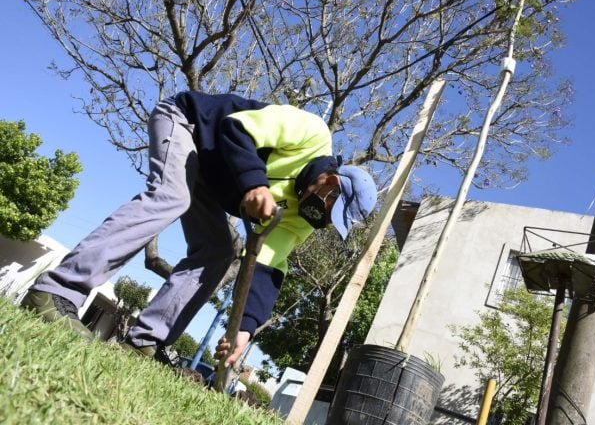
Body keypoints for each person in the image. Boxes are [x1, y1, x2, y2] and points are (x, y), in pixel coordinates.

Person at [20, 90, 378, 365]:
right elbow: (235, 128)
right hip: (187, 125)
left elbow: (267, 267)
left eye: (333, 222)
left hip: (210, 178)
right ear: (331, 180)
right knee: (171, 196)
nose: (323, 218)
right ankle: (56, 291)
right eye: (332, 207)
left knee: (220, 250)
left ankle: (146, 340)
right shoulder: (312, 132)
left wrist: (245, 328)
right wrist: (254, 184)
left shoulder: (300, 218)